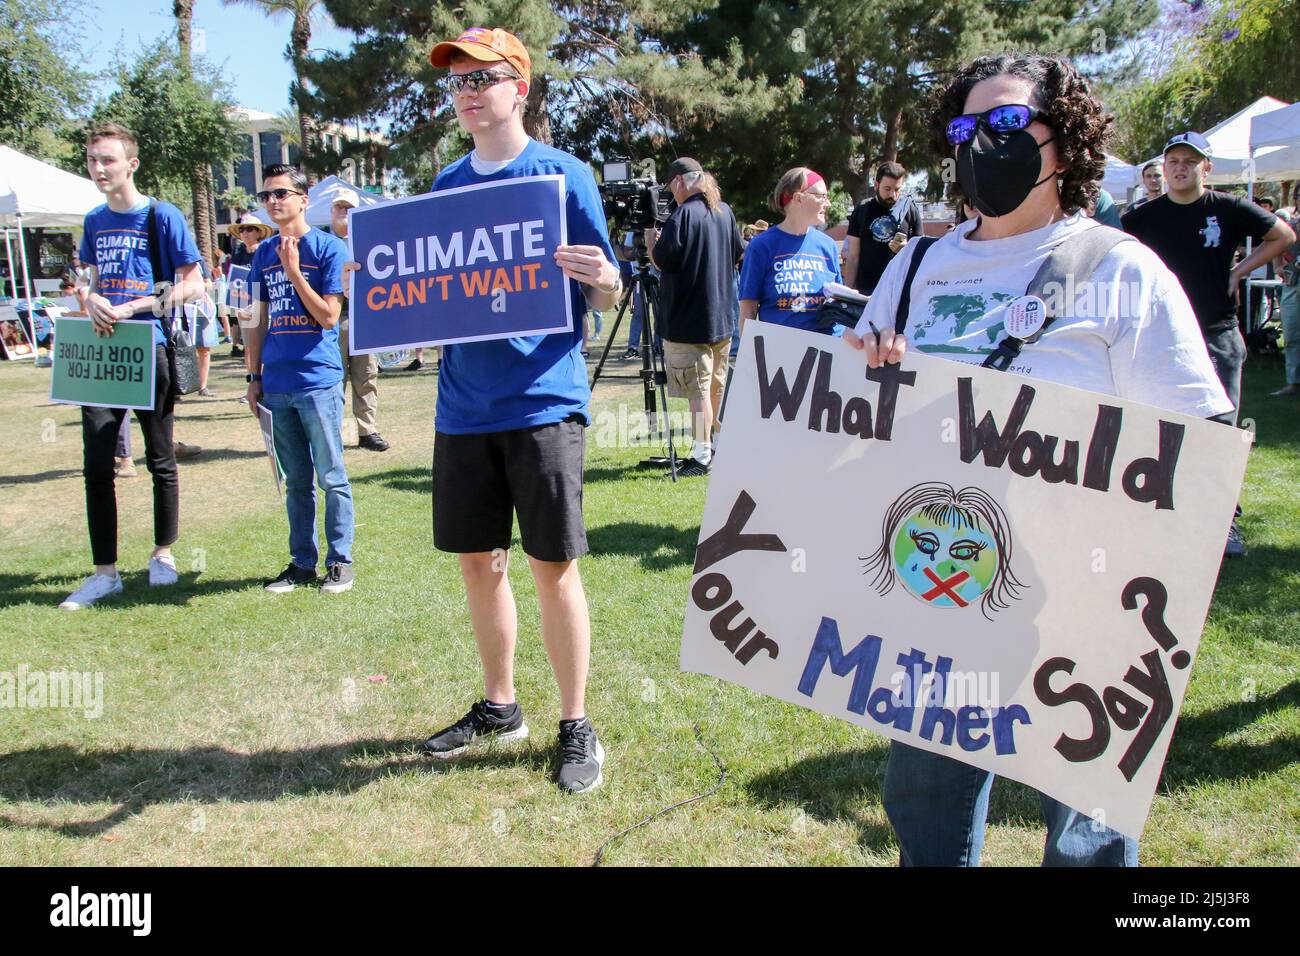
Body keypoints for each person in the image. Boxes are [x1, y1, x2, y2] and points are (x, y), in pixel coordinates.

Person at [844, 51, 1233, 866]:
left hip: (1085, 597)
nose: (985, 142)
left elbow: (1195, 451)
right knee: (926, 800)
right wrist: (862, 368)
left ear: (1068, 139)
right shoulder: (915, 267)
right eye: (967, 126)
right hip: (941, 583)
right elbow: (853, 431)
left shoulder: (1122, 270)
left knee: (1086, 829)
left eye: (1010, 122)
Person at [418, 26, 621, 793]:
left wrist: (604, 276)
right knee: (480, 563)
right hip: (463, 409)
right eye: (459, 82)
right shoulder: (444, 187)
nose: (469, 91)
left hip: (544, 402)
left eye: (485, 77)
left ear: (520, 88)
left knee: (553, 567)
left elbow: (607, 291)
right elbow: (428, 297)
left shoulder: (564, 176)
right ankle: (502, 707)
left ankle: (575, 723)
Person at [1122, 130, 1294, 556]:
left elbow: (1283, 235)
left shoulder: (1229, 208)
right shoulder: (1143, 216)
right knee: (1155, 431)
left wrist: (1239, 272)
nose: (1181, 168)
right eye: (1174, 161)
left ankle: (1223, 522)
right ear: (1164, 168)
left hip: (1216, 332)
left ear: (1206, 168)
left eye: (1190, 161)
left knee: (1219, 431)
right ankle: (1160, 516)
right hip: (1160, 337)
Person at [60, 122, 204, 610]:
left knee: (160, 459)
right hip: (100, 356)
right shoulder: (93, 221)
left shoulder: (161, 216)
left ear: (131, 164)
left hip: (151, 347)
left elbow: (194, 284)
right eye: (92, 160)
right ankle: (105, 573)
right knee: (97, 465)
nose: (99, 168)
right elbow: (85, 278)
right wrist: (91, 297)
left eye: (108, 160)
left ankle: (163, 554)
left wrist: (134, 306)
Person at [244, 164, 355, 595]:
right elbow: (256, 318)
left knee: (331, 476)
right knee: (296, 481)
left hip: (318, 379)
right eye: (267, 195)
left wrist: (293, 270)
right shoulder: (261, 253)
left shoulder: (329, 249)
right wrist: (253, 375)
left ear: (304, 199)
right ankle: (301, 563)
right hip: (277, 381)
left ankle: (340, 562)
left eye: (282, 194)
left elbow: (329, 315)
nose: (274, 202)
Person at [645, 157, 744, 477]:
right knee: (715, 386)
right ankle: (716, 445)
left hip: (687, 322)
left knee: (697, 391)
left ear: (679, 182)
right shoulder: (724, 211)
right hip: (721, 318)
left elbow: (660, 260)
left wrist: (650, 239)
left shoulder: (682, 215)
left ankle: (701, 455)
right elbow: (739, 253)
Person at [738, 167, 843, 339]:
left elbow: (838, 305)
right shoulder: (761, 246)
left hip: (826, 355)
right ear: (798, 198)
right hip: (778, 355)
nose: (828, 203)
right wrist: (750, 359)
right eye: (821, 196)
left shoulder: (828, 246)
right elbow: (747, 311)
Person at [330, 187, 389, 451]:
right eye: (339, 207)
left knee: (366, 375)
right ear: (332, 212)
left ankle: (367, 431)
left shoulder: (368, 242)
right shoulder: (323, 243)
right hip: (334, 318)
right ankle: (331, 432)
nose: (344, 212)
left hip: (364, 318)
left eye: (349, 207)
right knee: (334, 377)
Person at [845, 161, 923, 295]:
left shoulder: (909, 209)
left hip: (900, 289)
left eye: (897, 189)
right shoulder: (862, 210)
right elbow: (853, 257)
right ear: (876, 185)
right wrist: (846, 293)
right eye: (887, 189)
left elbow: (921, 251)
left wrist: (906, 248)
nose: (892, 194)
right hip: (867, 290)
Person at [225, 213, 274, 360]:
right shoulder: (238, 253)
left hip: (264, 307)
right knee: (249, 349)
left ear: (258, 232)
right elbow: (234, 281)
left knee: (265, 347)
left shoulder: (265, 252)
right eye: (242, 230)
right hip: (244, 307)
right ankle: (252, 378)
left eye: (250, 229)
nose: (245, 233)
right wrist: (237, 309)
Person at [1274, 204, 1300, 396]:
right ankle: (1293, 384)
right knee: (1291, 335)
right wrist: (1277, 266)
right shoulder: (1289, 226)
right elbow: (1273, 242)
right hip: (1291, 285)